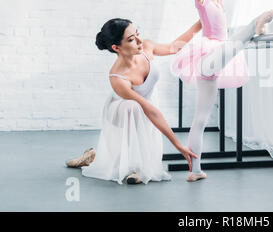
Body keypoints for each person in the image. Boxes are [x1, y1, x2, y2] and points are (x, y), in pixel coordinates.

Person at [170, 0, 273, 182]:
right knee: (232, 45)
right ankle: (254, 25)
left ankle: (195, 171)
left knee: (200, 120)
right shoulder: (202, 2)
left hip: (214, 65)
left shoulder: (218, 0)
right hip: (207, 55)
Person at [65, 18, 200, 184]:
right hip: (121, 110)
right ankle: (134, 167)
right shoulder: (117, 77)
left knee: (139, 108)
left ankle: (94, 155)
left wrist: (201, 23)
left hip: (146, 104)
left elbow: (174, 47)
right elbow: (148, 109)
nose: (139, 41)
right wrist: (179, 146)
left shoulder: (146, 48)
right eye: (131, 39)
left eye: (138, 34)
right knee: (134, 107)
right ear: (116, 48)